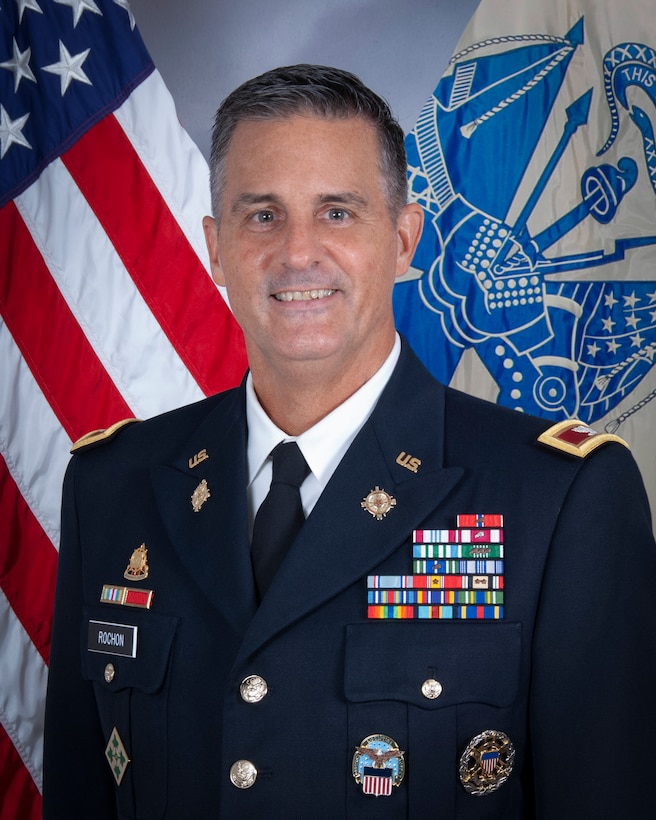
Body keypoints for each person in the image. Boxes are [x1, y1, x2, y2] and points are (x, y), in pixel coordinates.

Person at [43, 64, 656, 819]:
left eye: (337, 213)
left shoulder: (559, 498)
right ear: (215, 246)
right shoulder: (114, 486)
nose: (299, 253)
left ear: (403, 240)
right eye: (261, 215)